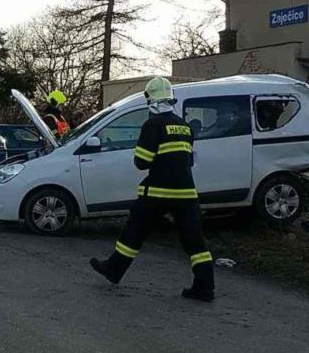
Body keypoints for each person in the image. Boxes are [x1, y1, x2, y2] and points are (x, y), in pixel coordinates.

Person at [89, 77, 215, 302]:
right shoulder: (184, 126)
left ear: (151, 100)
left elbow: (142, 162)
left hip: (157, 192)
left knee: (134, 231)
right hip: (187, 193)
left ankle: (113, 269)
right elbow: (185, 158)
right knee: (194, 241)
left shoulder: (152, 125)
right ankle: (204, 286)